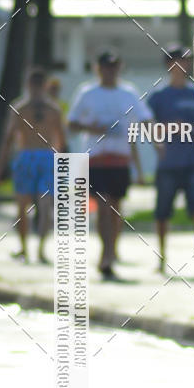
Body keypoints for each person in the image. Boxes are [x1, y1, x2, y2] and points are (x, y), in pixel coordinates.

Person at [67, 49, 149, 280]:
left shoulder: (128, 92)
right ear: (97, 68)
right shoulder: (87, 92)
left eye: (114, 67)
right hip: (96, 158)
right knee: (102, 206)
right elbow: (72, 124)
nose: (110, 71)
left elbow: (144, 119)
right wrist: (94, 128)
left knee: (115, 208)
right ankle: (105, 253)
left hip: (120, 158)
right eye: (105, 67)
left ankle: (112, 250)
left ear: (119, 68)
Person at [0, 67, 65, 263]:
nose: (36, 89)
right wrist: (1, 166)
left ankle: (41, 249)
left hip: (47, 157)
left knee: (46, 206)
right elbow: (9, 139)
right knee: (22, 206)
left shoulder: (54, 110)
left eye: (39, 85)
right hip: (26, 157)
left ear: (44, 86)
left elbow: (61, 140)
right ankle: (24, 248)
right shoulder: (20, 108)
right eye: (33, 85)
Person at [147, 45, 194, 274]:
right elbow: (148, 125)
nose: (183, 65)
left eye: (187, 60)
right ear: (169, 65)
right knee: (162, 213)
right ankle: (161, 258)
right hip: (168, 164)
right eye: (179, 60)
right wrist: (161, 138)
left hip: (193, 162)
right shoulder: (159, 96)